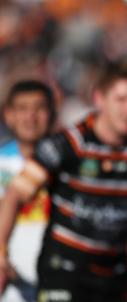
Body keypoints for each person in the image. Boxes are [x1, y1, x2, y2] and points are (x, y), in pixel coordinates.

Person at [0, 61, 127, 302]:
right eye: (121, 100)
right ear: (99, 99)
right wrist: (1, 250)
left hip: (113, 275)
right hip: (63, 270)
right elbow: (15, 194)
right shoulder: (70, 144)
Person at [0, 81, 56, 302]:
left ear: (52, 113)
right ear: (8, 115)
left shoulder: (69, 164)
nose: (30, 118)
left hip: (62, 284)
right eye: (22, 109)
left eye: (39, 109)